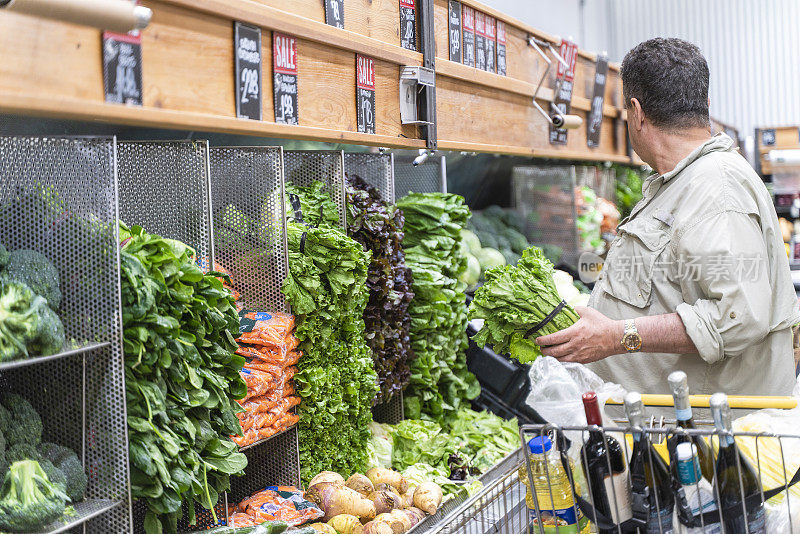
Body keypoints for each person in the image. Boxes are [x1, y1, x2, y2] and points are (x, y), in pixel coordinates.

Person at [536, 37, 799, 398]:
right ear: (705, 104)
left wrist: (615, 337)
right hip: (667, 431)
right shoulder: (681, 182)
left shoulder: (715, 190)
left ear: (636, 111)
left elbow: (739, 316)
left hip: (710, 439)